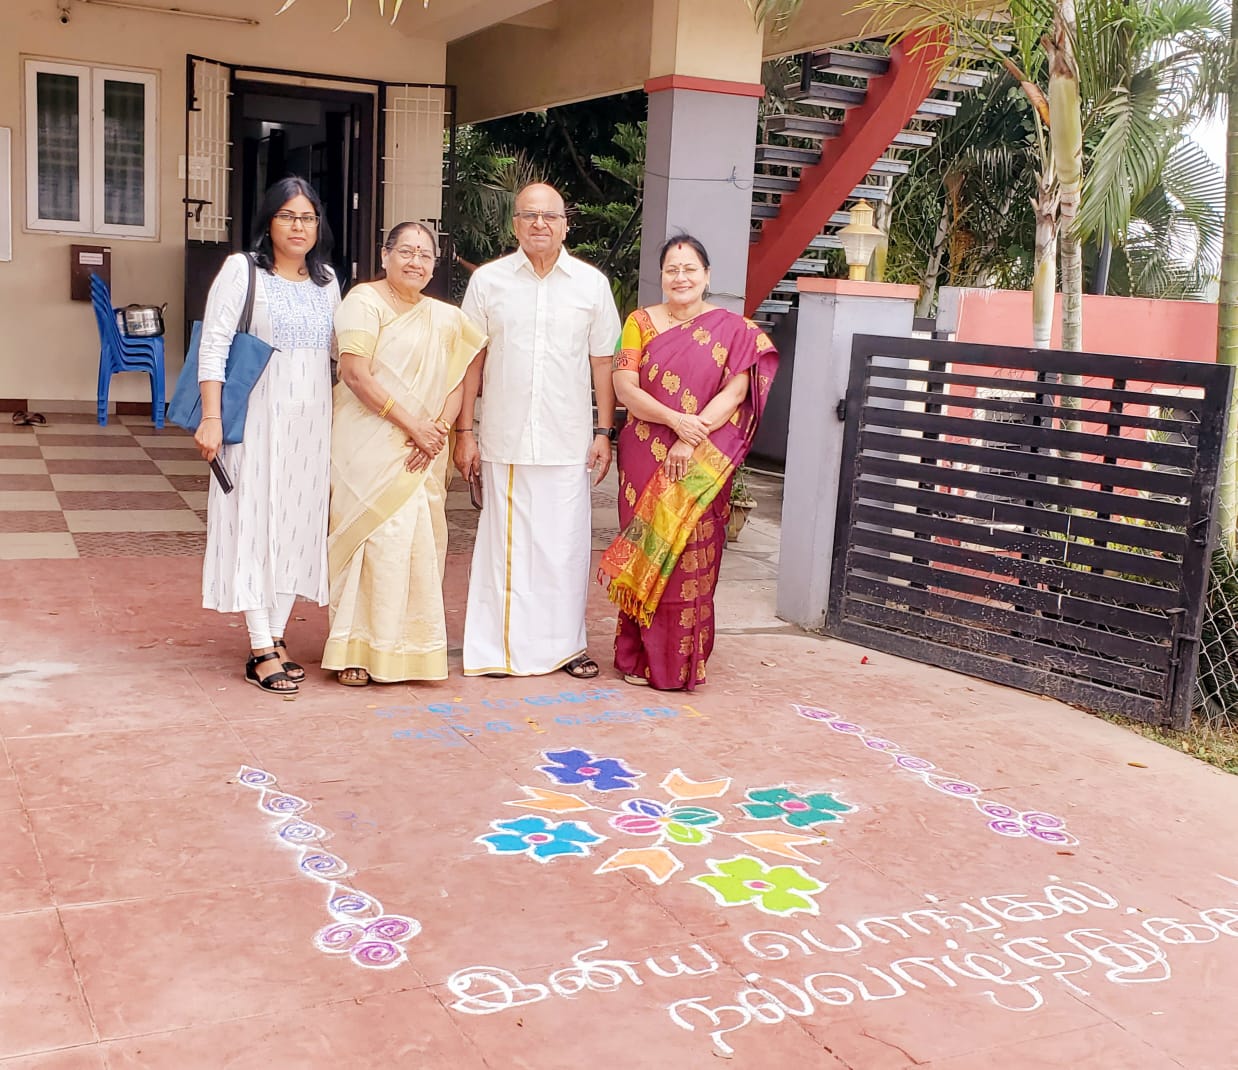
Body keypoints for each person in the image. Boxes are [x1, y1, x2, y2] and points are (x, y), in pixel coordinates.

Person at [454, 183, 621, 679]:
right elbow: (471, 360)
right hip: (504, 438)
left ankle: (566, 647)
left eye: (549, 216)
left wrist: (603, 432)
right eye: (529, 216)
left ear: (566, 224)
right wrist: (466, 430)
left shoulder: (591, 286)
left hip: (568, 440)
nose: (539, 224)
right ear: (515, 225)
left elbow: (602, 363)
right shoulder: (488, 282)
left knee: (564, 548)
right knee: (504, 551)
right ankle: (497, 650)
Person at [598, 234, 778, 691]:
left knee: (694, 551)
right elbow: (625, 388)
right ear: (661, 276)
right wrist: (676, 420)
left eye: (690, 268)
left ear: (707, 275)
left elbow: (738, 392)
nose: (681, 277)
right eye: (672, 269)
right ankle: (640, 659)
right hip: (645, 450)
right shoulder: (639, 322)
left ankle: (682, 661)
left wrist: (691, 434)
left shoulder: (734, 329)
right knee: (649, 549)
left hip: (702, 453)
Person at [323, 222, 486, 686]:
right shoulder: (363, 301)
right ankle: (354, 649)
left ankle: (411, 649)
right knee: (370, 542)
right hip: (369, 443)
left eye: (425, 255)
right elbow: (355, 374)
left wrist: (438, 430)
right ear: (385, 255)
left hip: (425, 448)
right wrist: (414, 426)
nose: (416, 262)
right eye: (407, 252)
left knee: (415, 545)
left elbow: (463, 372)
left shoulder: (446, 317)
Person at [195, 176, 340, 694]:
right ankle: (259, 646)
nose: (298, 226)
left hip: (311, 426)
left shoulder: (327, 282)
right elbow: (213, 348)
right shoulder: (243, 271)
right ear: (269, 221)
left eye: (307, 217)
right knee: (255, 525)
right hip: (254, 423)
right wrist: (211, 418)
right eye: (287, 216)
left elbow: (336, 359)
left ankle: (275, 637)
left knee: (298, 527)